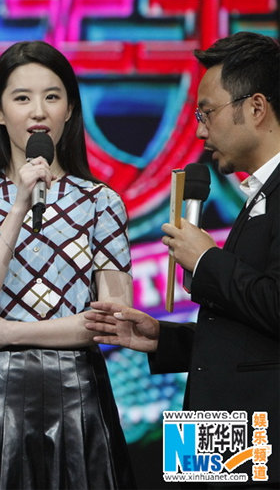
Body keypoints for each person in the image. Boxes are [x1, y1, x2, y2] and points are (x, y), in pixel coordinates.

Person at [86, 32, 279, 486]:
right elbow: (247, 333)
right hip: (218, 430)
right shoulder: (258, 196)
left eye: (206, 113)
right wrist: (163, 339)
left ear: (256, 108)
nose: (198, 131)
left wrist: (207, 259)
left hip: (259, 434)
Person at [0, 40, 135, 489]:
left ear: (70, 109)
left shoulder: (102, 202)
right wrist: (18, 206)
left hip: (78, 394)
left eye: (52, 96)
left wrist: (8, 333)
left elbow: (112, 320)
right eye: (22, 98)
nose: (38, 111)